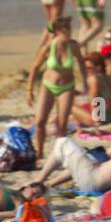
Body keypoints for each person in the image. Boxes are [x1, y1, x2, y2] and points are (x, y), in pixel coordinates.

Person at [27, 17, 87, 160]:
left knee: (62, 123)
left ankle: (60, 155)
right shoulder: (48, 46)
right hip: (48, 86)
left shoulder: (73, 46)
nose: (70, 31)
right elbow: (35, 67)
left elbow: (82, 63)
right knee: (40, 121)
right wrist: (29, 90)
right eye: (67, 28)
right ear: (59, 31)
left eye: (71, 28)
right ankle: (39, 152)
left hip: (67, 86)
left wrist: (85, 82)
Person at [70, 51, 111, 128]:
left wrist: (97, 123)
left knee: (69, 106)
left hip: (101, 119)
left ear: (98, 67)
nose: (86, 71)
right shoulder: (107, 78)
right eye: (84, 68)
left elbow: (95, 101)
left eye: (89, 68)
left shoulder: (94, 79)